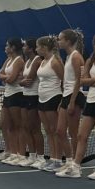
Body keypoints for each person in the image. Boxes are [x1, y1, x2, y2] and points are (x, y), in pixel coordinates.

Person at [61, 32, 95, 178]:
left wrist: (90, 80)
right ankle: (76, 167)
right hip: (90, 100)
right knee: (81, 135)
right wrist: (93, 80)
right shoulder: (90, 60)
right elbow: (82, 81)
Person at [54, 29, 84, 171]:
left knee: (73, 132)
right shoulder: (68, 57)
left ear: (68, 41)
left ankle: (75, 164)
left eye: (60, 39)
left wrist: (72, 101)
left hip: (75, 97)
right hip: (66, 96)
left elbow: (79, 80)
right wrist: (63, 101)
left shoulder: (76, 57)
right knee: (60, 131)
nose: (58, 42)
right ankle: (69, 159)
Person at [35, 36, 64, 171]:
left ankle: (58, 160)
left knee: (55, 131)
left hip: (53, 97)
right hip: (42, 98)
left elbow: (64, 80)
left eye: (38, 47)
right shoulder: (42, 61)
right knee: (48, 131)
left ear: (44, 48)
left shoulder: (55, 62)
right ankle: (52, 158)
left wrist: (63, 100)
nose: (36, 49)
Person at [0, 39, 26, 165]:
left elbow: (12, 79)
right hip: (8, 94)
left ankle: (20, 153)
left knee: (17, 125)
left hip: (17, 94)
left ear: (13, 47)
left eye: (7, 45)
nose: (5, 47)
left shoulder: (19, 60)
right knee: (5, 124)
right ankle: (12, 152)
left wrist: (7, 78)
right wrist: (6, 78)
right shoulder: (8, 59)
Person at [17, 38, 45, 168]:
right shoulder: (27, 61)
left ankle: (40, 157)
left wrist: (21, 81)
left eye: (25, 46)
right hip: (25, 96)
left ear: (31, 48)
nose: (23, 48)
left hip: (34, 97)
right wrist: (21, 81)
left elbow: (28, 80)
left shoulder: (37, 60)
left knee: (35, 129)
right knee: (26, 127)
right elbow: (22, 80)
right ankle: (32, 156)